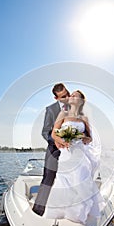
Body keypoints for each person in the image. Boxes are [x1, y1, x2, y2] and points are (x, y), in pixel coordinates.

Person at [42, 90, 106, 224]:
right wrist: (62, 141)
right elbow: (54, 134)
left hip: (80, 155)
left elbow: (89, 139)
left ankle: (78, 214)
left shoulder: (84, 118)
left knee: (80, 181)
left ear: (81, 101)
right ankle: (61, 212)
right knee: (64, 181)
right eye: (71, 95)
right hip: (66, 154)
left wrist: (82, 136)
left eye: (74, 95)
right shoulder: (63, 114)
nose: (70, 96)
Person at [32, 83, 70, 216]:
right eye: (63, 96)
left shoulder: (76, 108)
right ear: (56, 98)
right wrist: (57, 141)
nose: (67, 97)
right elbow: (45, 132)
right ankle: (38, 211)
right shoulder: (50, 110)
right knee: (48, 178)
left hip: (72, 150)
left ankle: (70, 211)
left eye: (68, 93)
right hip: (54, 150)